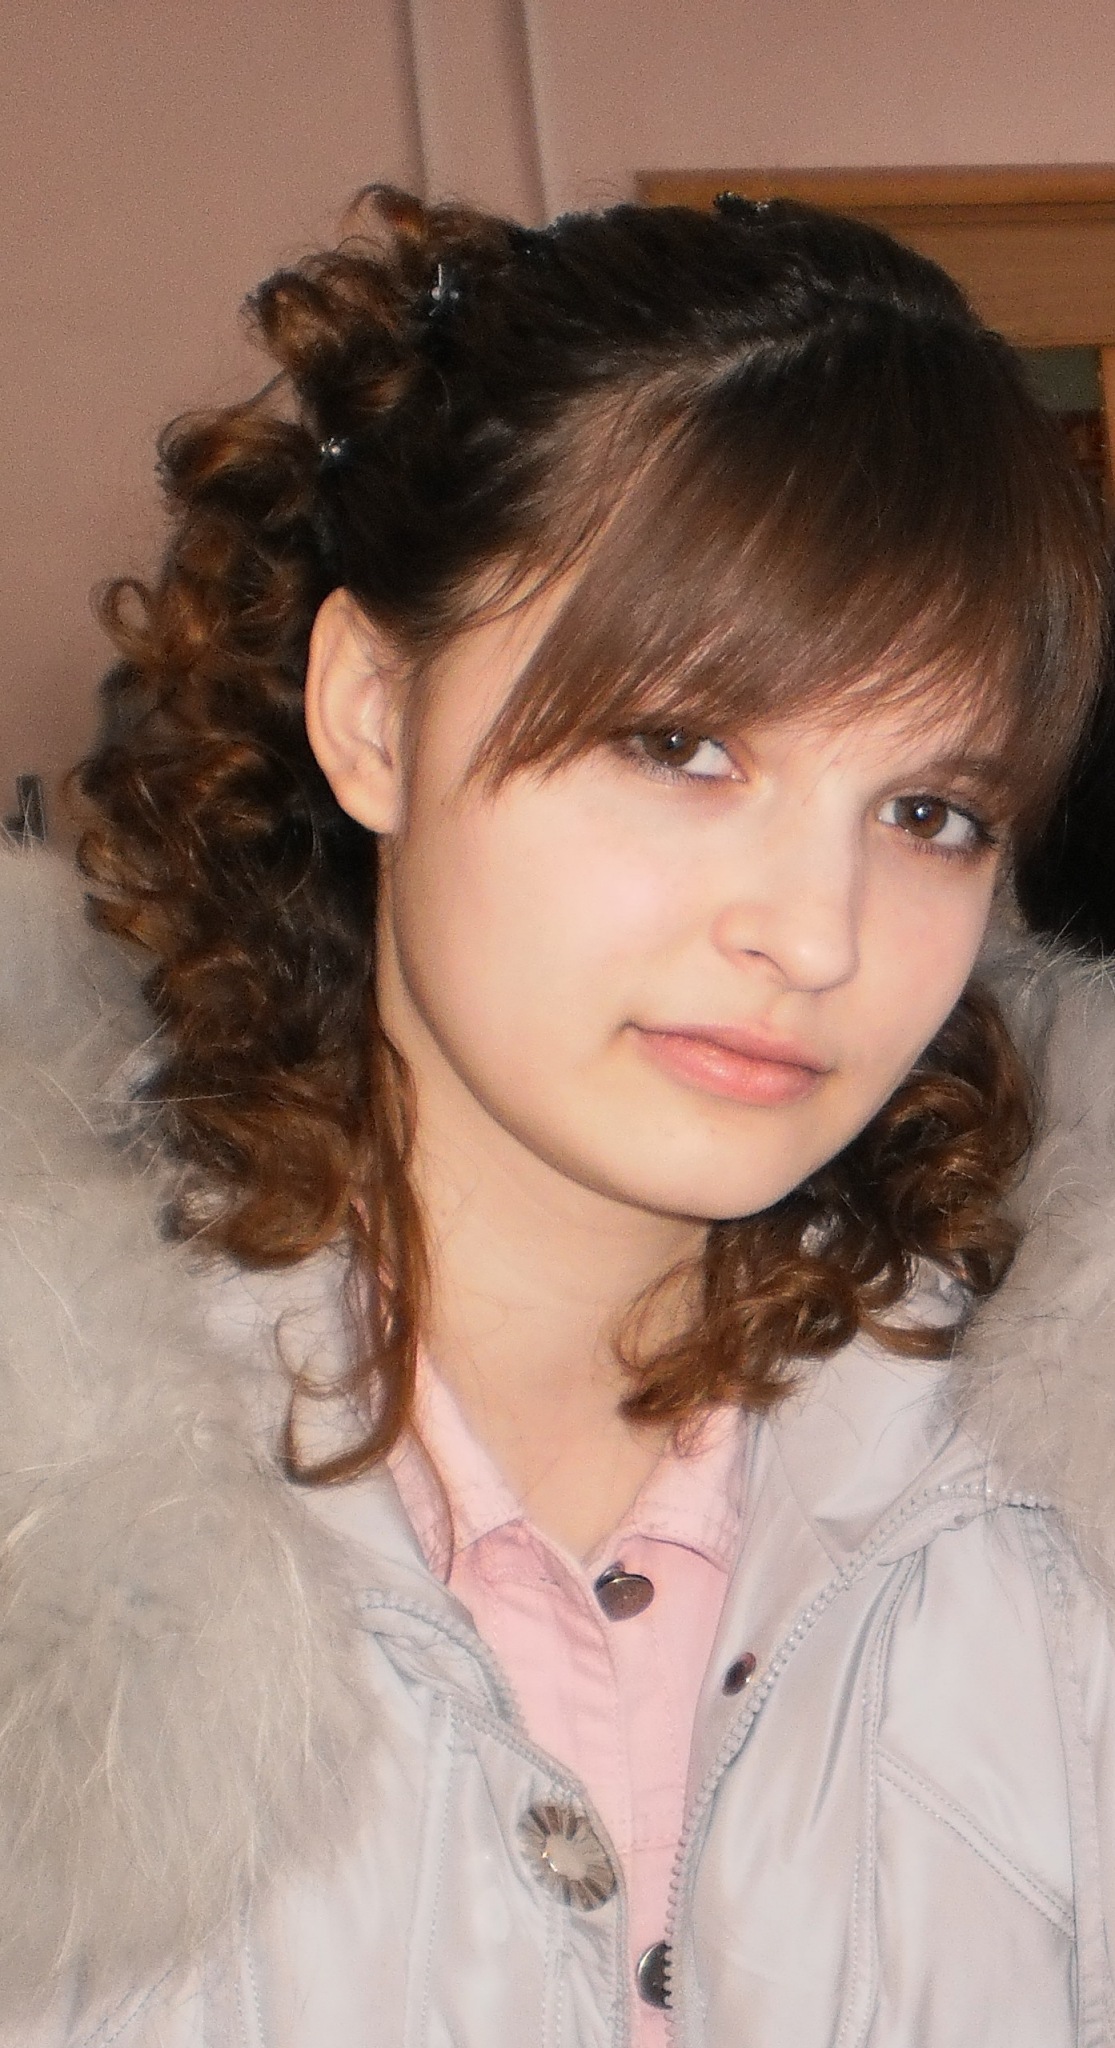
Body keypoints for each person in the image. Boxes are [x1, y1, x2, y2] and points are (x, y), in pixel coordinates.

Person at [3, 186, 1115, 2048]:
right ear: (373, 713)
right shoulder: (44, 1513)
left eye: (930, 812)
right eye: (681, 745)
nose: (817, 935)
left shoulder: (1055, 1510)